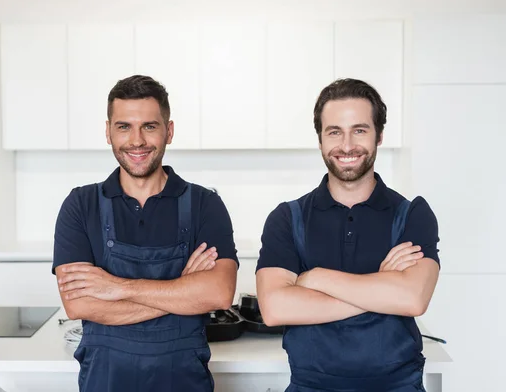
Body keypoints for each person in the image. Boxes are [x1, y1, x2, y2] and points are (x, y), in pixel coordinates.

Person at [52, 75, 239, 392]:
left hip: (184, 382)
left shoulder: (205, 204)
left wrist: (114, 286)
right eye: (124, 126)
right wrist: (182, 292)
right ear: (108, 132)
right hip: (104, 382)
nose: (136, 140)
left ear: (169, 131)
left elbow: (219, 294)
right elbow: (79, 306)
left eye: (149, 126)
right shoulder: (80, 205)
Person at [256, 78, 440, 392]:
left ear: (379, 135)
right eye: (334, 132)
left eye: (359, 130)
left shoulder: (412, 214)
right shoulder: (287, 218)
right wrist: (380, 287)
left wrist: (315, 277)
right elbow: (275, 309)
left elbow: (412, 299)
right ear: (320, 139)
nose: (346, 145)